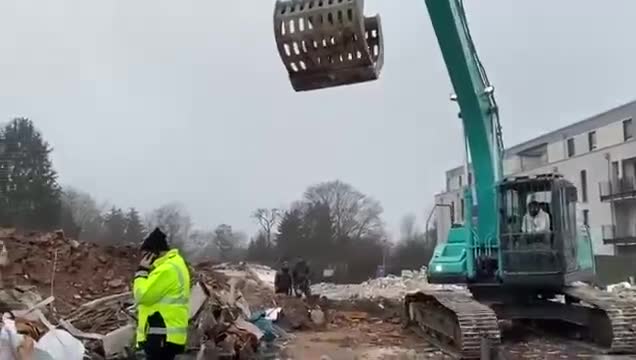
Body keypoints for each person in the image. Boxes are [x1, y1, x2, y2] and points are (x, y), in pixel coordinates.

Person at [133, 227, 191, 360]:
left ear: (153, 253)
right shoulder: (176, 264)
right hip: (167, 334)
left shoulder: (166, 269)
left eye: (145, 255)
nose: (143, 259)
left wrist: (141, 272)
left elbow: (142, 296)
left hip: (161, 334)